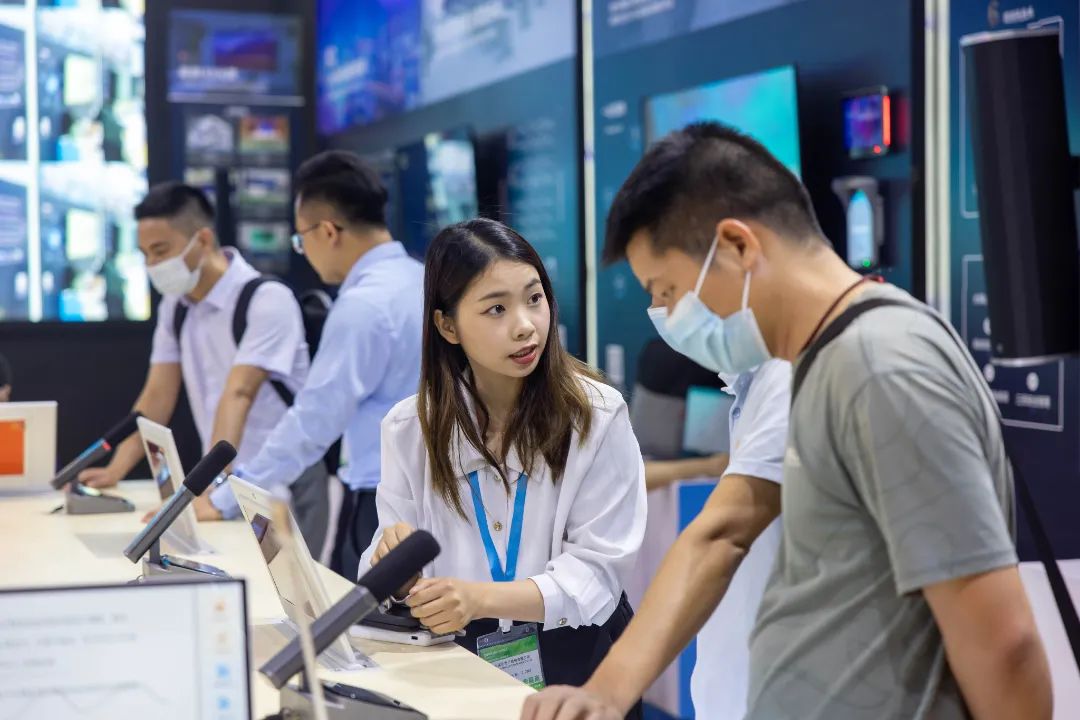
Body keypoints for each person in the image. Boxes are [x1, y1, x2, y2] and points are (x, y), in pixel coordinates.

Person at [522, 122, 1051, 720]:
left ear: (736, 246)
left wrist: (607, 691)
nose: (665, 315)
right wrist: (606, 691)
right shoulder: (823, 361)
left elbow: (1004, 646)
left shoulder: (878, 366)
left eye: (668, 291)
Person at [361, 218, 647, 710]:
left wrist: (478, 599)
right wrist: (397, 573)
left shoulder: (596, 415)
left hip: (580, 661)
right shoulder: (410, 428)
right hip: (456, 663)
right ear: (447, 326)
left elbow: (598, 574)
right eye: (497, 308)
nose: (525, 325)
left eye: (534, 298)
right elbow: (384, 559)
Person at [79, 183, 328, 553]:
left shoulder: (266, 299)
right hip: (225, 486)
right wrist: (117, 468)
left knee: (290, 588)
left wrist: (211, 490)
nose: (152, 265)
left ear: (203, 239)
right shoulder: (175, 307)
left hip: (283, 483)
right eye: (145, 254)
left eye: (161, 251)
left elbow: (239, 393)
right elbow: (157, 396)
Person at [223, 150, 425, 581]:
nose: (304, 252)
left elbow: (315, 420)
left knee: (364, 623)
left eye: (301, 240)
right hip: (444, 498)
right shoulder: (427, 280)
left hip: (383, 504)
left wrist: (231, 495)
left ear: (328, 231)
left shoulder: (363, 306)